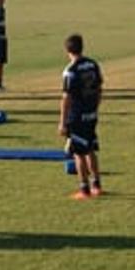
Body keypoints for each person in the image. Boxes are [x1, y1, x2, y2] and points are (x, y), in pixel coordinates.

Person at [60, 34, 104, 198]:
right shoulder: (93, 64)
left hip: (77, 116)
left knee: (79, 153)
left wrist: (62, 122)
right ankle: (97, 185)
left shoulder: (70, 71)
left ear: (67, 50)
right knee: (91, 149)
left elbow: (66, 98)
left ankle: (84, 189)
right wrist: (95, 108)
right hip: (91, 113)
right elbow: (99, 88)